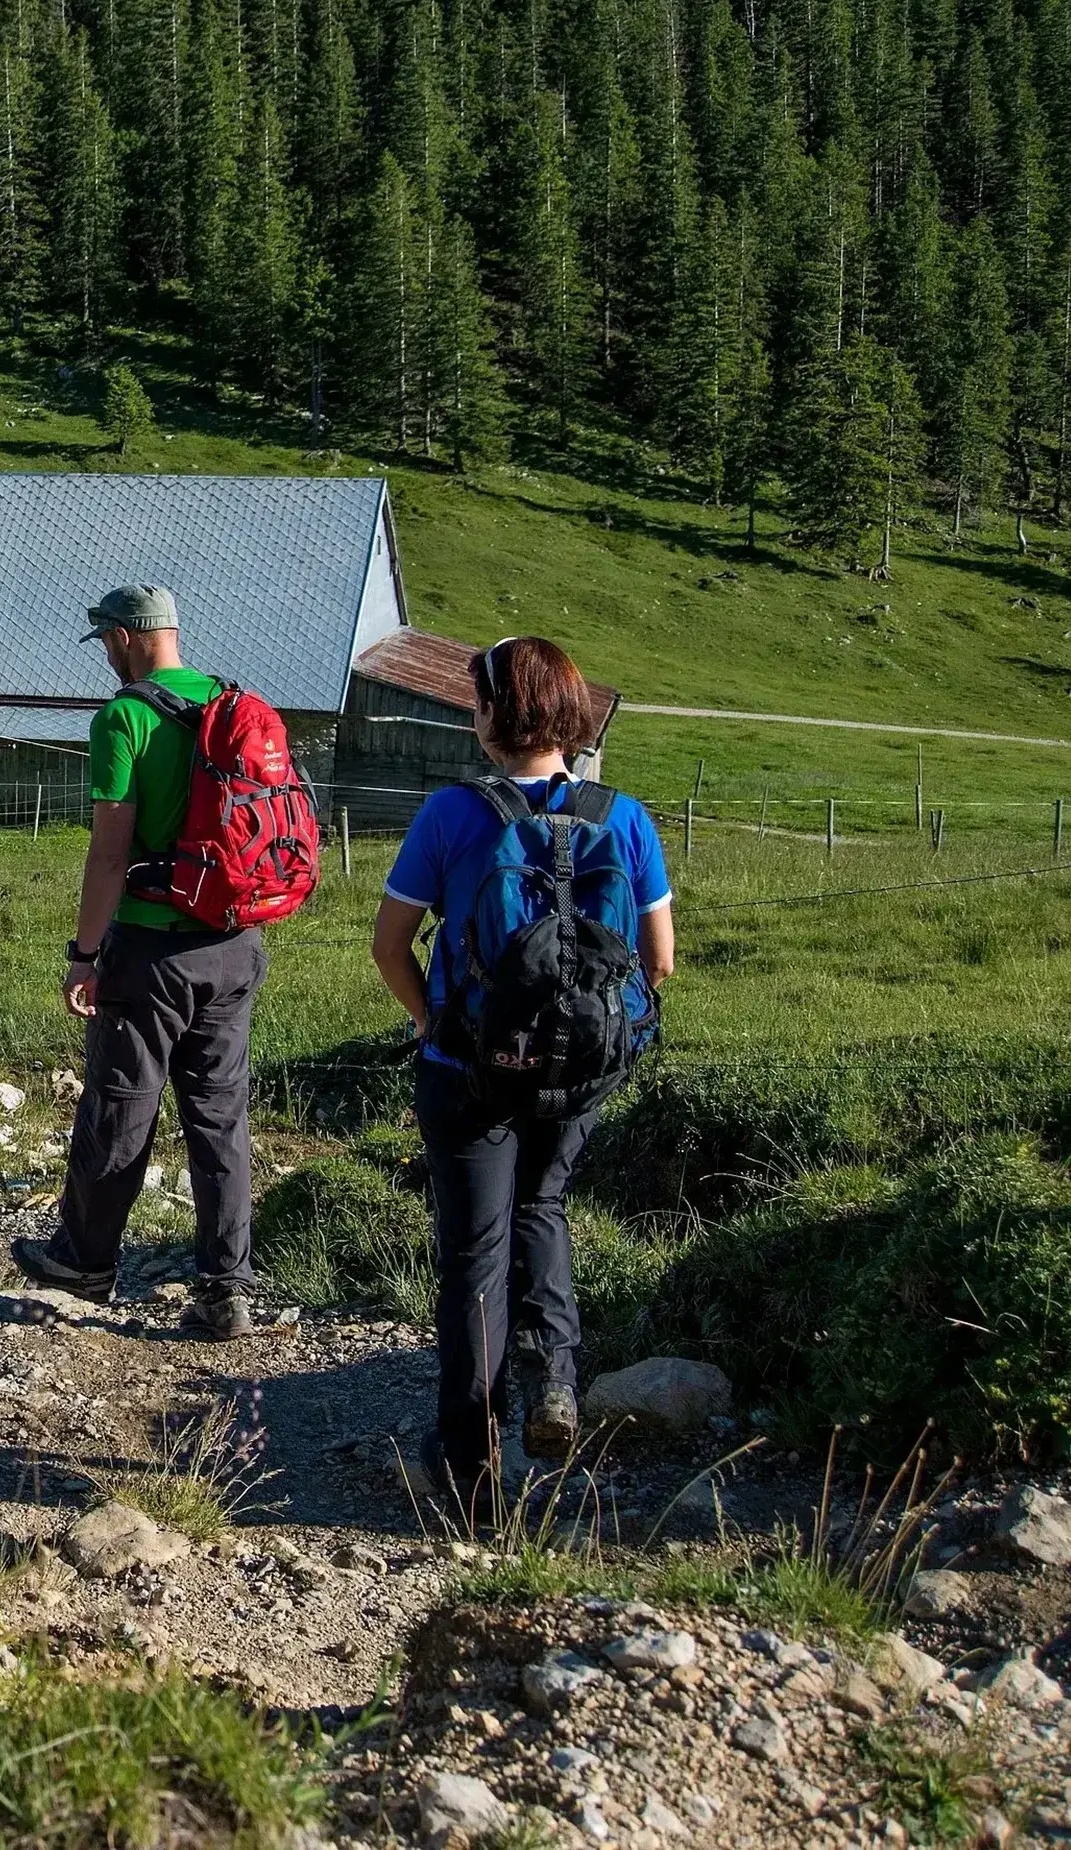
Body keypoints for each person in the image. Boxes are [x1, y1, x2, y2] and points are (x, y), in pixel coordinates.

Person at [370, 636, 674, 1497]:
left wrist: (438, 1024)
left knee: (473, 1250)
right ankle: (555, 1380)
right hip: (579, 1066)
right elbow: (659, 962)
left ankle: (467, 1463)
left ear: (492, 716)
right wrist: (600, 1037)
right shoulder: (624, 815)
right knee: (543, 1207)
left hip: (466, 1066)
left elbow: (389, 947)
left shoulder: (451, 815)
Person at [12, 584, 263, 1340]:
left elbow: (109, 851)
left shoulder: (124, 716)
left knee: (121, 1104)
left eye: (107, 644)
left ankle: (84, 1262)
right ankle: (225, 1292)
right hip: (235, 942)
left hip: (151, 946)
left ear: (123, 636)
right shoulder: (233, 706)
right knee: (220, 1120)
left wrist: (84, 954)